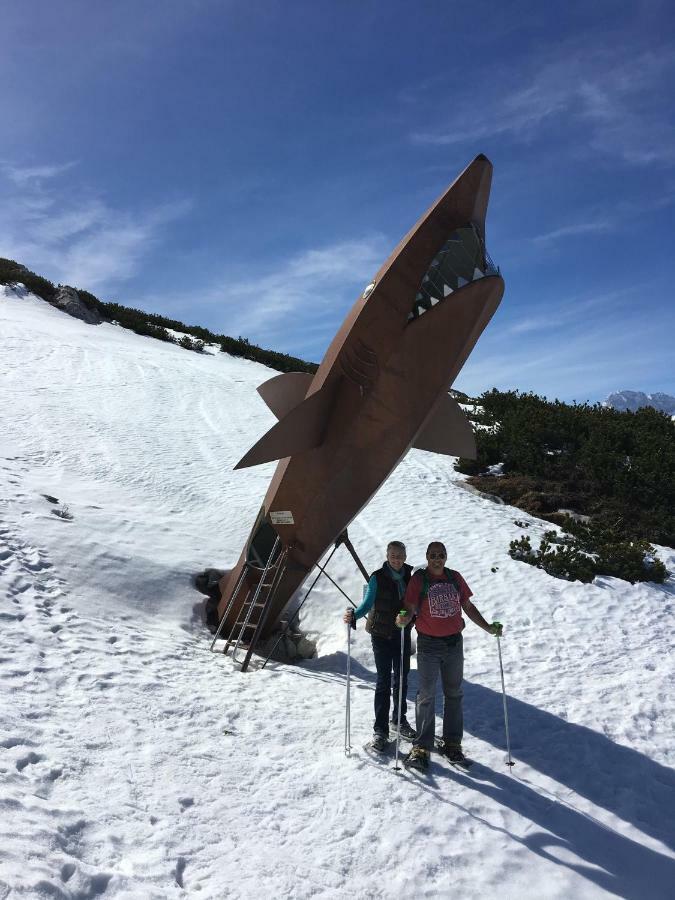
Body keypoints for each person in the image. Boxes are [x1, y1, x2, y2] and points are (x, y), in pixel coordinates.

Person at [396, 541, 502, 772]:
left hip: (454, 643)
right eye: (433, 555)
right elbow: (410, 606)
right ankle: (422, 746)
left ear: (446, 557)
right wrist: (404, 617)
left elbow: (468, 606)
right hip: (428, 644)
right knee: (426, 695)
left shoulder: (455, 578)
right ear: (427, 556)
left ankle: (452, 742)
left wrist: (487, 627)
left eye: (441, 555)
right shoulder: (419, 579)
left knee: (454, 693)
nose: (437, 559)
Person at [343, 541, 415, 751]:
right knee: (384, 681)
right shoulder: (377, 577)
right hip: (381, 635)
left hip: (402, 633)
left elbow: (416, 602)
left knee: (401, 678)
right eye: (393, 555)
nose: (397, 559)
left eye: (400, 555)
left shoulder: (411, 576)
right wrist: (353, 615)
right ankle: (380, 730)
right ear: (387, 555)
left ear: (405, 555)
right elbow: (367, 603)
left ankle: (399, 721)